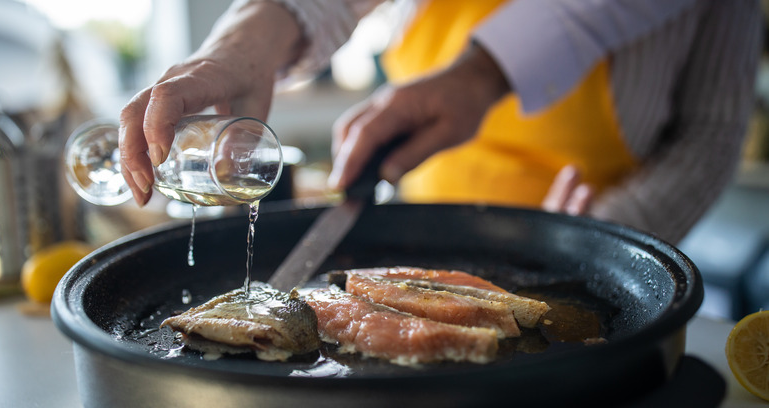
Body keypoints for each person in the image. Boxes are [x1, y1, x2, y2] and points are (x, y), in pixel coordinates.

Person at [118, 0, 762, 244]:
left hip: (587, 248)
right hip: (419, 248)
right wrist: (239, 43)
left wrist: (607, 242)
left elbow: (711, 134)